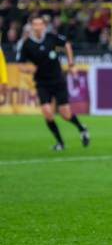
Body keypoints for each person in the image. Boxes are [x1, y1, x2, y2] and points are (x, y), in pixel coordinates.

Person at [16, 16, 89, 150]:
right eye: (35, 24)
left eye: (40, 24)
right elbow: (20, 64)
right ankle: (60, 143)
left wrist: (71, 64)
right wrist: (28, 69)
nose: (37, 27)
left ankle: (82, 128)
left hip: (57, 79)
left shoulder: (52, 38)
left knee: (65, 114)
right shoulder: (27, 44)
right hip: (42, 82)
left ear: (44, 26)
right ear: (32, 27)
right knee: (47, 113)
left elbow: (66, 44)